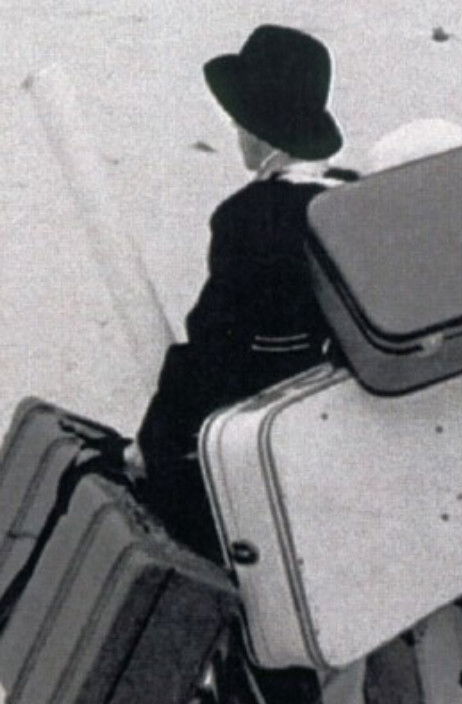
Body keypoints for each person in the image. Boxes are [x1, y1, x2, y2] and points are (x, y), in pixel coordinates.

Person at [123, 24, 354, 562]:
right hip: (334, 411)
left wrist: (153, 440)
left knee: (162, 494)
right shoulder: (348, 197)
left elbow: (212, 346)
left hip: (265, 427)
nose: (236, 132)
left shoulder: (249, 217)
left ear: (262, 134)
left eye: (240, 122)